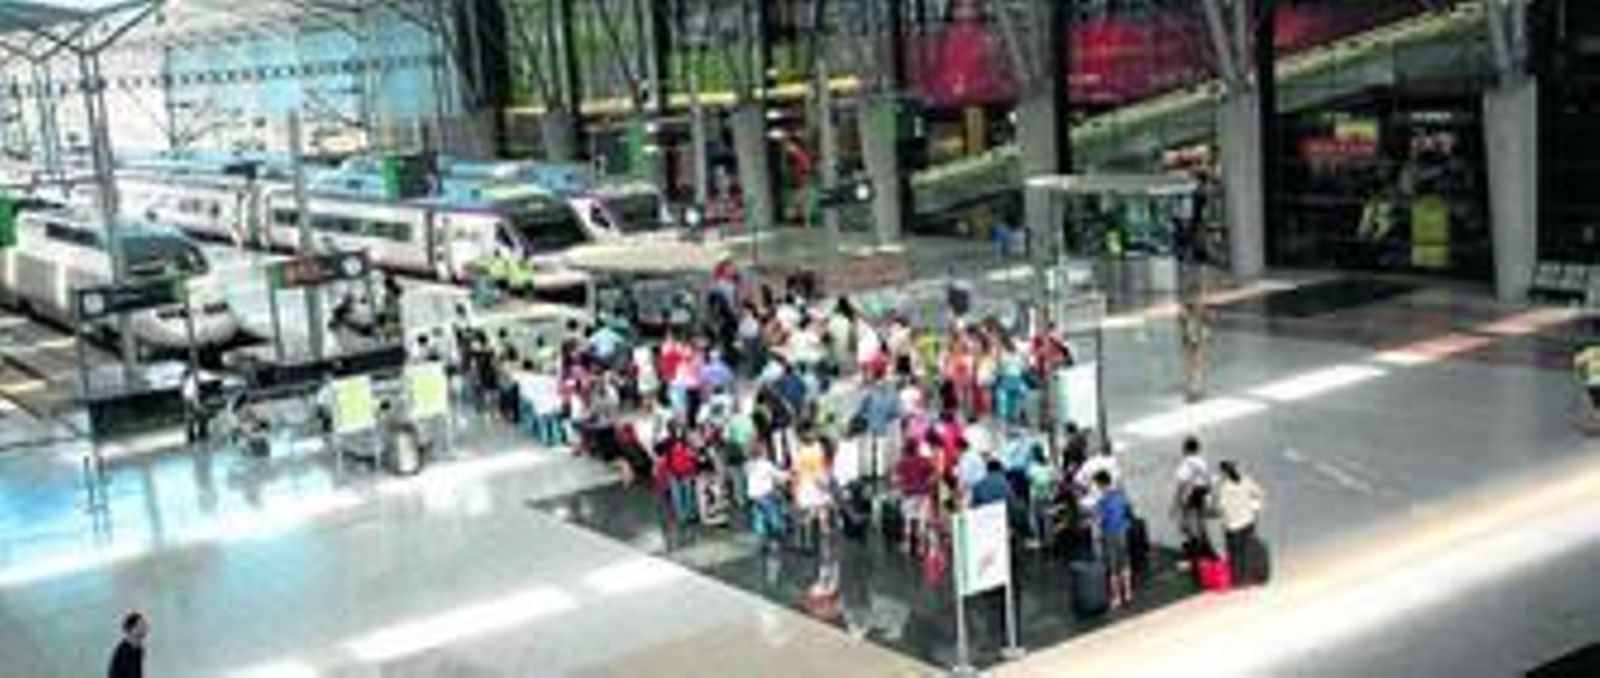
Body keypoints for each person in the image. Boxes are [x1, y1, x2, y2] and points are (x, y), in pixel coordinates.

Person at [1215, 460, 1266, 583]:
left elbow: (1220, 507)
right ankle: (1249, 577)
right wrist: (1256, 509)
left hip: (1232, 525)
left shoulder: (1223, 487)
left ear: (1224, 473)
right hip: (1248, 521)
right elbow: (1260, 494)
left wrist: (1221, 518)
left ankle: (1238, 580)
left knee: (1234, 553)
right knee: (1246, 550)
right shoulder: (1246, 480)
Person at [1092, 471, 1135, 609]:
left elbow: (1100, 519)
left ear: (1101, 484)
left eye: (1097, 485)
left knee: (1113, 567)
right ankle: (1128, 594)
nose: (1097, 488)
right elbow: (1128, 511)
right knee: (1125, 563)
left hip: (1110, 534)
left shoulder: (1103, 501)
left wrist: (1096, 527)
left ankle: (1116, 598)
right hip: (1123, 532)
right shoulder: (1121, 495)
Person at [1172, 436, 1214, 560]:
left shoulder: (1186, 464)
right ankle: (1206, 550)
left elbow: (1181, 485)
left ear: (1185, 449)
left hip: (1191, 496)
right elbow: (1208, 482)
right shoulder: (1202, 462)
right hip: (1203, 494)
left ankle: (1194, 553)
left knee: (1188, 526)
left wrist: (1176, 503)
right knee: (1200, 524)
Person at [746, 446, 791, 552]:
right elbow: (779, 475)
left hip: (754, 496)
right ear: (761, 453)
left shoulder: (748, 465)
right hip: (765, 494)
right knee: (773, 515)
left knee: (759, 517)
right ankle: (777, 539)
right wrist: (789, 475)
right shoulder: (766, 464)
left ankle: (762, 541)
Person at [107, 611, 148, 678]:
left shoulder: (138, 649)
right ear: (132, 629)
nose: (144, 629)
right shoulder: (123, 651)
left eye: (144, 626)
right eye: (141, 626)